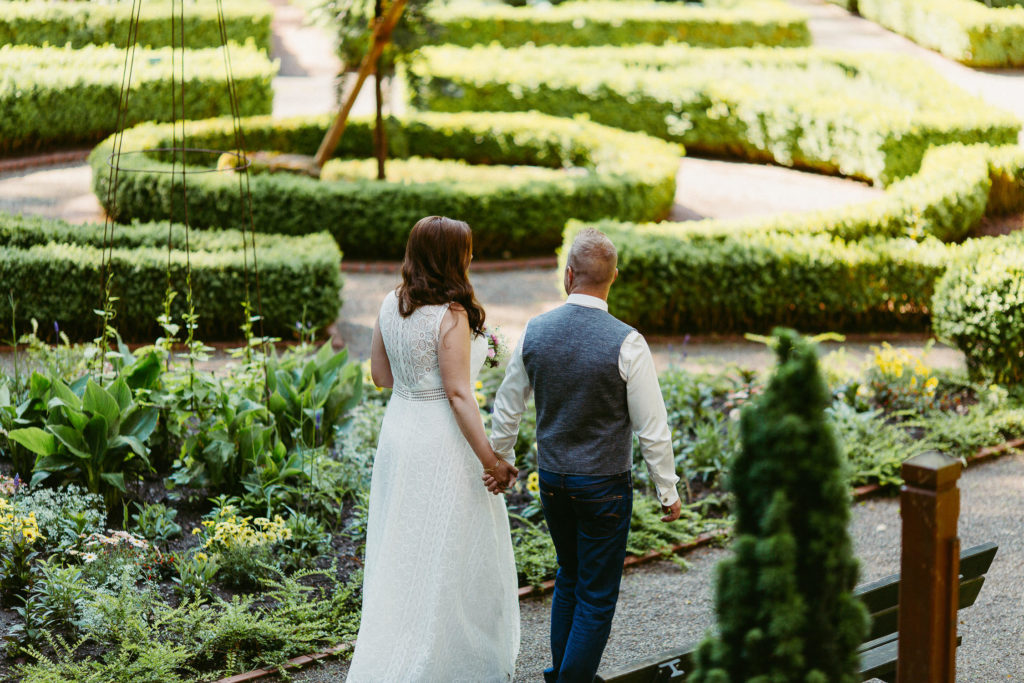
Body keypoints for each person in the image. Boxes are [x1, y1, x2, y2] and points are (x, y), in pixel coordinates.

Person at [485, 227, 682, 683]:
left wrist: (500, 458)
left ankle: (563, 674)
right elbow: (653, 427)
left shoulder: (536, 330)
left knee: (569, 578)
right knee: (595, 595)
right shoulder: (628, 342)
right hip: (604, 488)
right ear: (612, 279)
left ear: (568, 274)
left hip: (553, 481)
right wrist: (667, 490)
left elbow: (507, 405)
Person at [347, 216, 520, 682]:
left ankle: (397, 645)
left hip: (400, 432)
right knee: (447, 549)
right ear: (452, 258)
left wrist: (414, 380)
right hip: (441, 441)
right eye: (466, 250)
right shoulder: (451, 315)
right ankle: (442, 661)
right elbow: (460, 394)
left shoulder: (389, 303)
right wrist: (492, 460)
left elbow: (380, 377)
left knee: (404, 546)